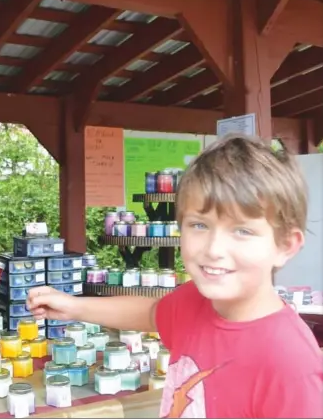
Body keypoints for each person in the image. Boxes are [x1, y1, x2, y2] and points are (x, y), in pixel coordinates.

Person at [27, 134, 323, 418]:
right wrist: (74, 306)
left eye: (242, 231)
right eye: (199, 225)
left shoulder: (290, 363)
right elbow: (153, 312)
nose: (213, 249)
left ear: (285, 246)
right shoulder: (194, 299)